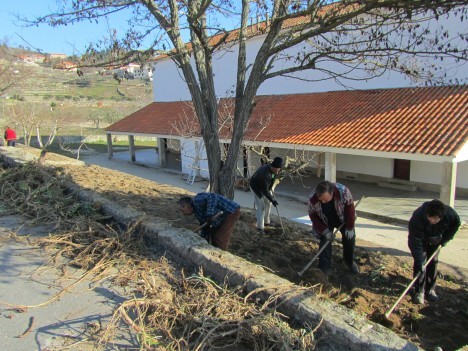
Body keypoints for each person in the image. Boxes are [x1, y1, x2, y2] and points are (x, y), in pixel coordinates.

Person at [408, 199, 460, 304]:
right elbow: (415, 240)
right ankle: (419, 291)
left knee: (433, 261)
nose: (432, 220)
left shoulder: (450, 215)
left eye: (435, 219)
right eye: (430, 218)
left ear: (441, 216)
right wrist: (419, 260)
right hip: (420, 240)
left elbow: (456, 224)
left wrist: (445, 239)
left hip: (437, 240)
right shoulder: (417, 217)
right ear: (427, 214)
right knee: (420, 264)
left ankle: (430, 289)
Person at [308, 180, 359, 274]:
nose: (323, 202)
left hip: (343, 218)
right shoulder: (313, 198)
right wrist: (325, 231)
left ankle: (349, 262)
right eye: (321, 200)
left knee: (349, 239)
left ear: (332, 193)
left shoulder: (343, 192)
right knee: (325, 241)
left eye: (326, 200)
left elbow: (350, 211)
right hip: (325, 220)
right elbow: (313, 216)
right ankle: (324, 268)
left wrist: (350, 227)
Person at [249, 157, 283, 234]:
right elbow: (265, 191)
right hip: (256, 187)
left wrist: (271, 189)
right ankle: (260, 227)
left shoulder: (274, 170)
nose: (277, 172)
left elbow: (273, 179)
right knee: (261, 206)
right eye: (276, 170)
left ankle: (266, 222)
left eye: (279, 170)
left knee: (268, 203)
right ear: (272, 167)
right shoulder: (265, 174)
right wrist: (273, 200)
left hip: (265, 187)